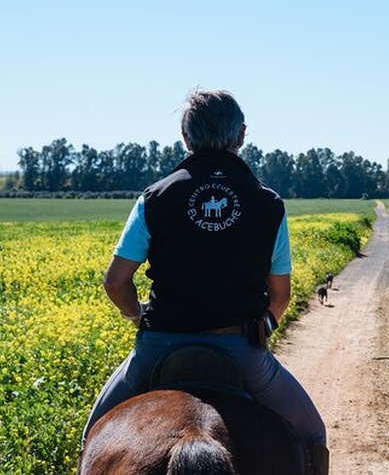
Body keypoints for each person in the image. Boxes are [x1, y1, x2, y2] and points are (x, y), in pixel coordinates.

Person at [82, 88, 328, 472]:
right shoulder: (268, 204)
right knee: (313, 437)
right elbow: (281, 292)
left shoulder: (154, 197)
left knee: (93, 436)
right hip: (241, 351)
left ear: (185, 137)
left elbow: (116, 282)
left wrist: (137, 316)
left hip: (159, 347)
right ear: (241, 135)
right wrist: (266, 323)